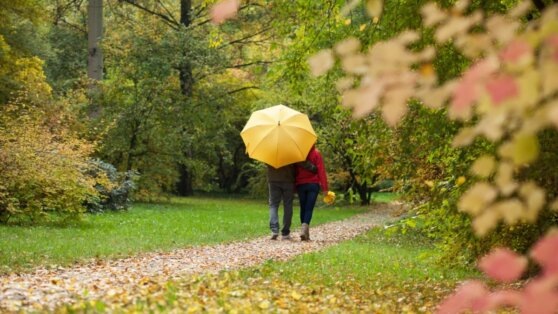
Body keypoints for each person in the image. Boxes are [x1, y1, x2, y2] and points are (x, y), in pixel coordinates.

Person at [295, 145, 328, 241]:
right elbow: (321, 171)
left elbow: (295, 172)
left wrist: (294, 186)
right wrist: (325, 188)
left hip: (301, 184)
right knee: (309, 208)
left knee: (303, 207)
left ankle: (305, 233)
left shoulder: (298, 155)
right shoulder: (316, 153)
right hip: (313, 185)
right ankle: (304, 231)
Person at [267, 164, 295, 240]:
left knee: (273, 205)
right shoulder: (291, 153)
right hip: (288, 180)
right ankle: (285, 233)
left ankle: (274, 230)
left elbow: (266, 163)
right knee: (288, 205)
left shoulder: (269, 152)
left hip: (273, 179)